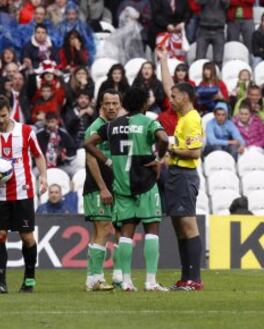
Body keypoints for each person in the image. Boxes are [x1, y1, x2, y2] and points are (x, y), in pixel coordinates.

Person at [84, 87, 169, 292]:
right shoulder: (148, 121)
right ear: (144, 104)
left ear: (124, 104)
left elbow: (88, 144)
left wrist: (109, 161)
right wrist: (158, 159)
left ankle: (126, 281)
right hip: (145, 184)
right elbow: (164, 139)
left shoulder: (112, 126)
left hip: (121, 187)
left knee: (124, 233)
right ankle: (150, 281)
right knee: (152, 230)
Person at [0, 95, 47, 294]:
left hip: (23, 192)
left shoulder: (26, 132)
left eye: (3, 115)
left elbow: (38, 155)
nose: (0, 120)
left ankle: (29, 280)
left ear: (9, 111)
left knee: (27, 237)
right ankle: (0, 283)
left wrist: (43, 176)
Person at [158, 48, 204, 291]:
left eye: (175, 96)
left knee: (188, 224)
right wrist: (163, 61)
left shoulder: (193, 119)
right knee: (178, 226)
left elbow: (196, 152)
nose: (171, 99)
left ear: (185, 97)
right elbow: (168, 87)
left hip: (185, 175)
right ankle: (185, 277)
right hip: (176, 175)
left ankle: (194, 279)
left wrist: (171, 150)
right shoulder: (183, 117)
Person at [83, 89, 121, 292]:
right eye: (108, 103)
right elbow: (90, 158)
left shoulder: (114, 128)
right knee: (105, 228)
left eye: (115, 103)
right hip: (98, 188)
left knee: (102, 230)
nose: (112, 107)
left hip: (111, 187)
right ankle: (95, 278)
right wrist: (103, 188)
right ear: (101, 106)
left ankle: (94, 277)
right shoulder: (95, 128)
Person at [195, 0, 229, 68]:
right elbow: (198, 2)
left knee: (218, 60)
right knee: (200, 57)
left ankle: (217, 77)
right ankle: (199, 76)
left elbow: (226, 4)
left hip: (218, 29)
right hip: (203, 29)